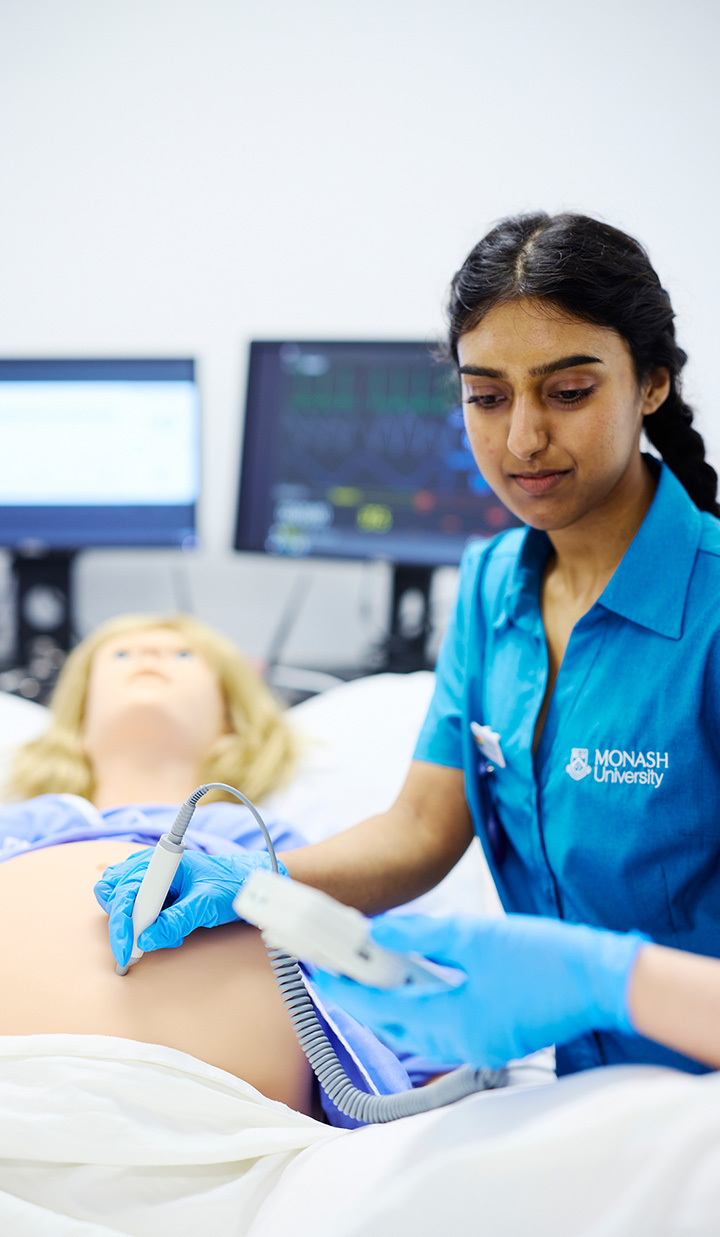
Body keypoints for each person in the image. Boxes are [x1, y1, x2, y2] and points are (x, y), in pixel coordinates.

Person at [99, 212, 720, 1080]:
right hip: (583, 1091)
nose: (522, 439)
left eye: (569, 392)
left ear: (652, 382)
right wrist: (251, 880)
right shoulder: (493, 585)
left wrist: (610, 981)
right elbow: (423, 827)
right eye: (488, 397)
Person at [0, 613, 411, 1121]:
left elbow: (378, 967)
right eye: (121, 655)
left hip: (227, 1123)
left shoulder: (262, 836)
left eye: (182, 655)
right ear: (79, 725)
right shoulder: (26, 823)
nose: (149, 656)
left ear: (227, 725)